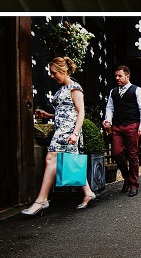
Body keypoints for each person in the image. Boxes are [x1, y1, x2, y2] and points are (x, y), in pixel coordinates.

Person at [21, 56, 97, 216]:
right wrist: (49, 115)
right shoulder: (63, 88)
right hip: (62, 128)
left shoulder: (75, 87)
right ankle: (88, 193)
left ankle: (41, 200)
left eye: (54, 72)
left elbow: (81, 112)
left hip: (68, 130)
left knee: (51, 159)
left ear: (63, 71)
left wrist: (75, 133)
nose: (51, 75)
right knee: (71, 161)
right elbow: (64, 111)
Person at [103, 65, 141, 197]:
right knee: (116, 153)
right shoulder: (113, 92)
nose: (117, 78)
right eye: (116, 76)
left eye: (120, 76)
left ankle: (134, 185)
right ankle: (127, 178)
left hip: (132, 125)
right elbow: (109, 108)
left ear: (127, 76)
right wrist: (108, 120)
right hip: (117, 126)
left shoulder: (137, 91)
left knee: (132, 155)